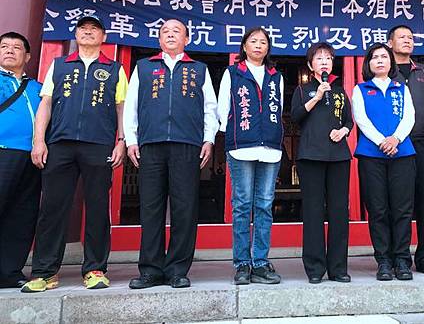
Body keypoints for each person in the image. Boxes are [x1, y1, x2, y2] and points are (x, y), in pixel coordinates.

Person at [23, 16, 128, 293]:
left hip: (99, 145)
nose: (88, 33)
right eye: (83, 29)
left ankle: (95, 269)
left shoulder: (115, 69)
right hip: (60, 143)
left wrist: (121, 141)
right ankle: (44, 272)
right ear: (76, 34)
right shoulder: (58, 66)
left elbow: (121, 109)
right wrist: (39, 141)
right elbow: (45, 104)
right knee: (52, 208)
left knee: (96, 208)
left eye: (94, 29)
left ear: (103, 36)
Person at [125, 19, 218, 289]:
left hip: (187, 145)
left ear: (186, 38)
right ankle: (151, 270)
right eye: (165, 31)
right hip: (151, 144)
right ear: (159, 39)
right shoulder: (144, 67)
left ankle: (178, 269)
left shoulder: (199, 69)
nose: (170, 35)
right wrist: (131, 139)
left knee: (184, 208)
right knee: (150, 208)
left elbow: (209, 108)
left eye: (176, 31)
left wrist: (208, 139)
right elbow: (132, 105)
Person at [217, 27, 284, 285]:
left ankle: (261, 262)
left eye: (263, 42)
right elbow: (224, 107)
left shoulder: (275, 75)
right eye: (253, 41)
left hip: (269, 148)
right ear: (244, 46)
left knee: (265, 205)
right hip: (241, 146)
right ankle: (242, 263)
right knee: (242, 205)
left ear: (268, 48)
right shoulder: (232, 73)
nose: (258, 45)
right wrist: (234, 131)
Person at [352, 42, 416, 281]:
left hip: (402, 153)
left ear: (391, 62)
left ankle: (402, 260)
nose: (380, 60)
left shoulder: (402, 88)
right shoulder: (360, 89)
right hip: (372, 155)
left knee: (402, 209)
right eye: (375, 57)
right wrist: (382, 141)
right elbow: (361, 119)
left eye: (384, 57)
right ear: (368, 64)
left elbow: (409, 116)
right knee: (378, 209)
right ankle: (384, 261)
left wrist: (396, 139)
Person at [291, 42, 353, 284]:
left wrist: (344, 131)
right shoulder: (303, 90)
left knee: (339, 212)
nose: (325, 61)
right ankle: (315, 268)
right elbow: (296, 116)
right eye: (319, 58)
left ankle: (338, 268)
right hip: (311, 157)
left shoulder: (339, 91)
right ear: (311, 65)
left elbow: (349, 120)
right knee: (314, 212)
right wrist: (317, 97)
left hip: (338, 156)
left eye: (328, 57)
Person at [388, 24, 424, 275]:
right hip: (394, 145)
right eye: (401, 37)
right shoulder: (385, 72)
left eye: (410, 37)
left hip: (423, 141)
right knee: (398, 202)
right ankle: (398, 257)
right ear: (390, 43)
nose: (407, 41)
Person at [0, 32, 42, 288]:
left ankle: (10, 271)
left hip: (31, 156)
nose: (10, 51)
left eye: (17, 48)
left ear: (27, 56)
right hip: (2, 151)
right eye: (4, 46)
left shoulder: (37, 88)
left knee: (22, 214)